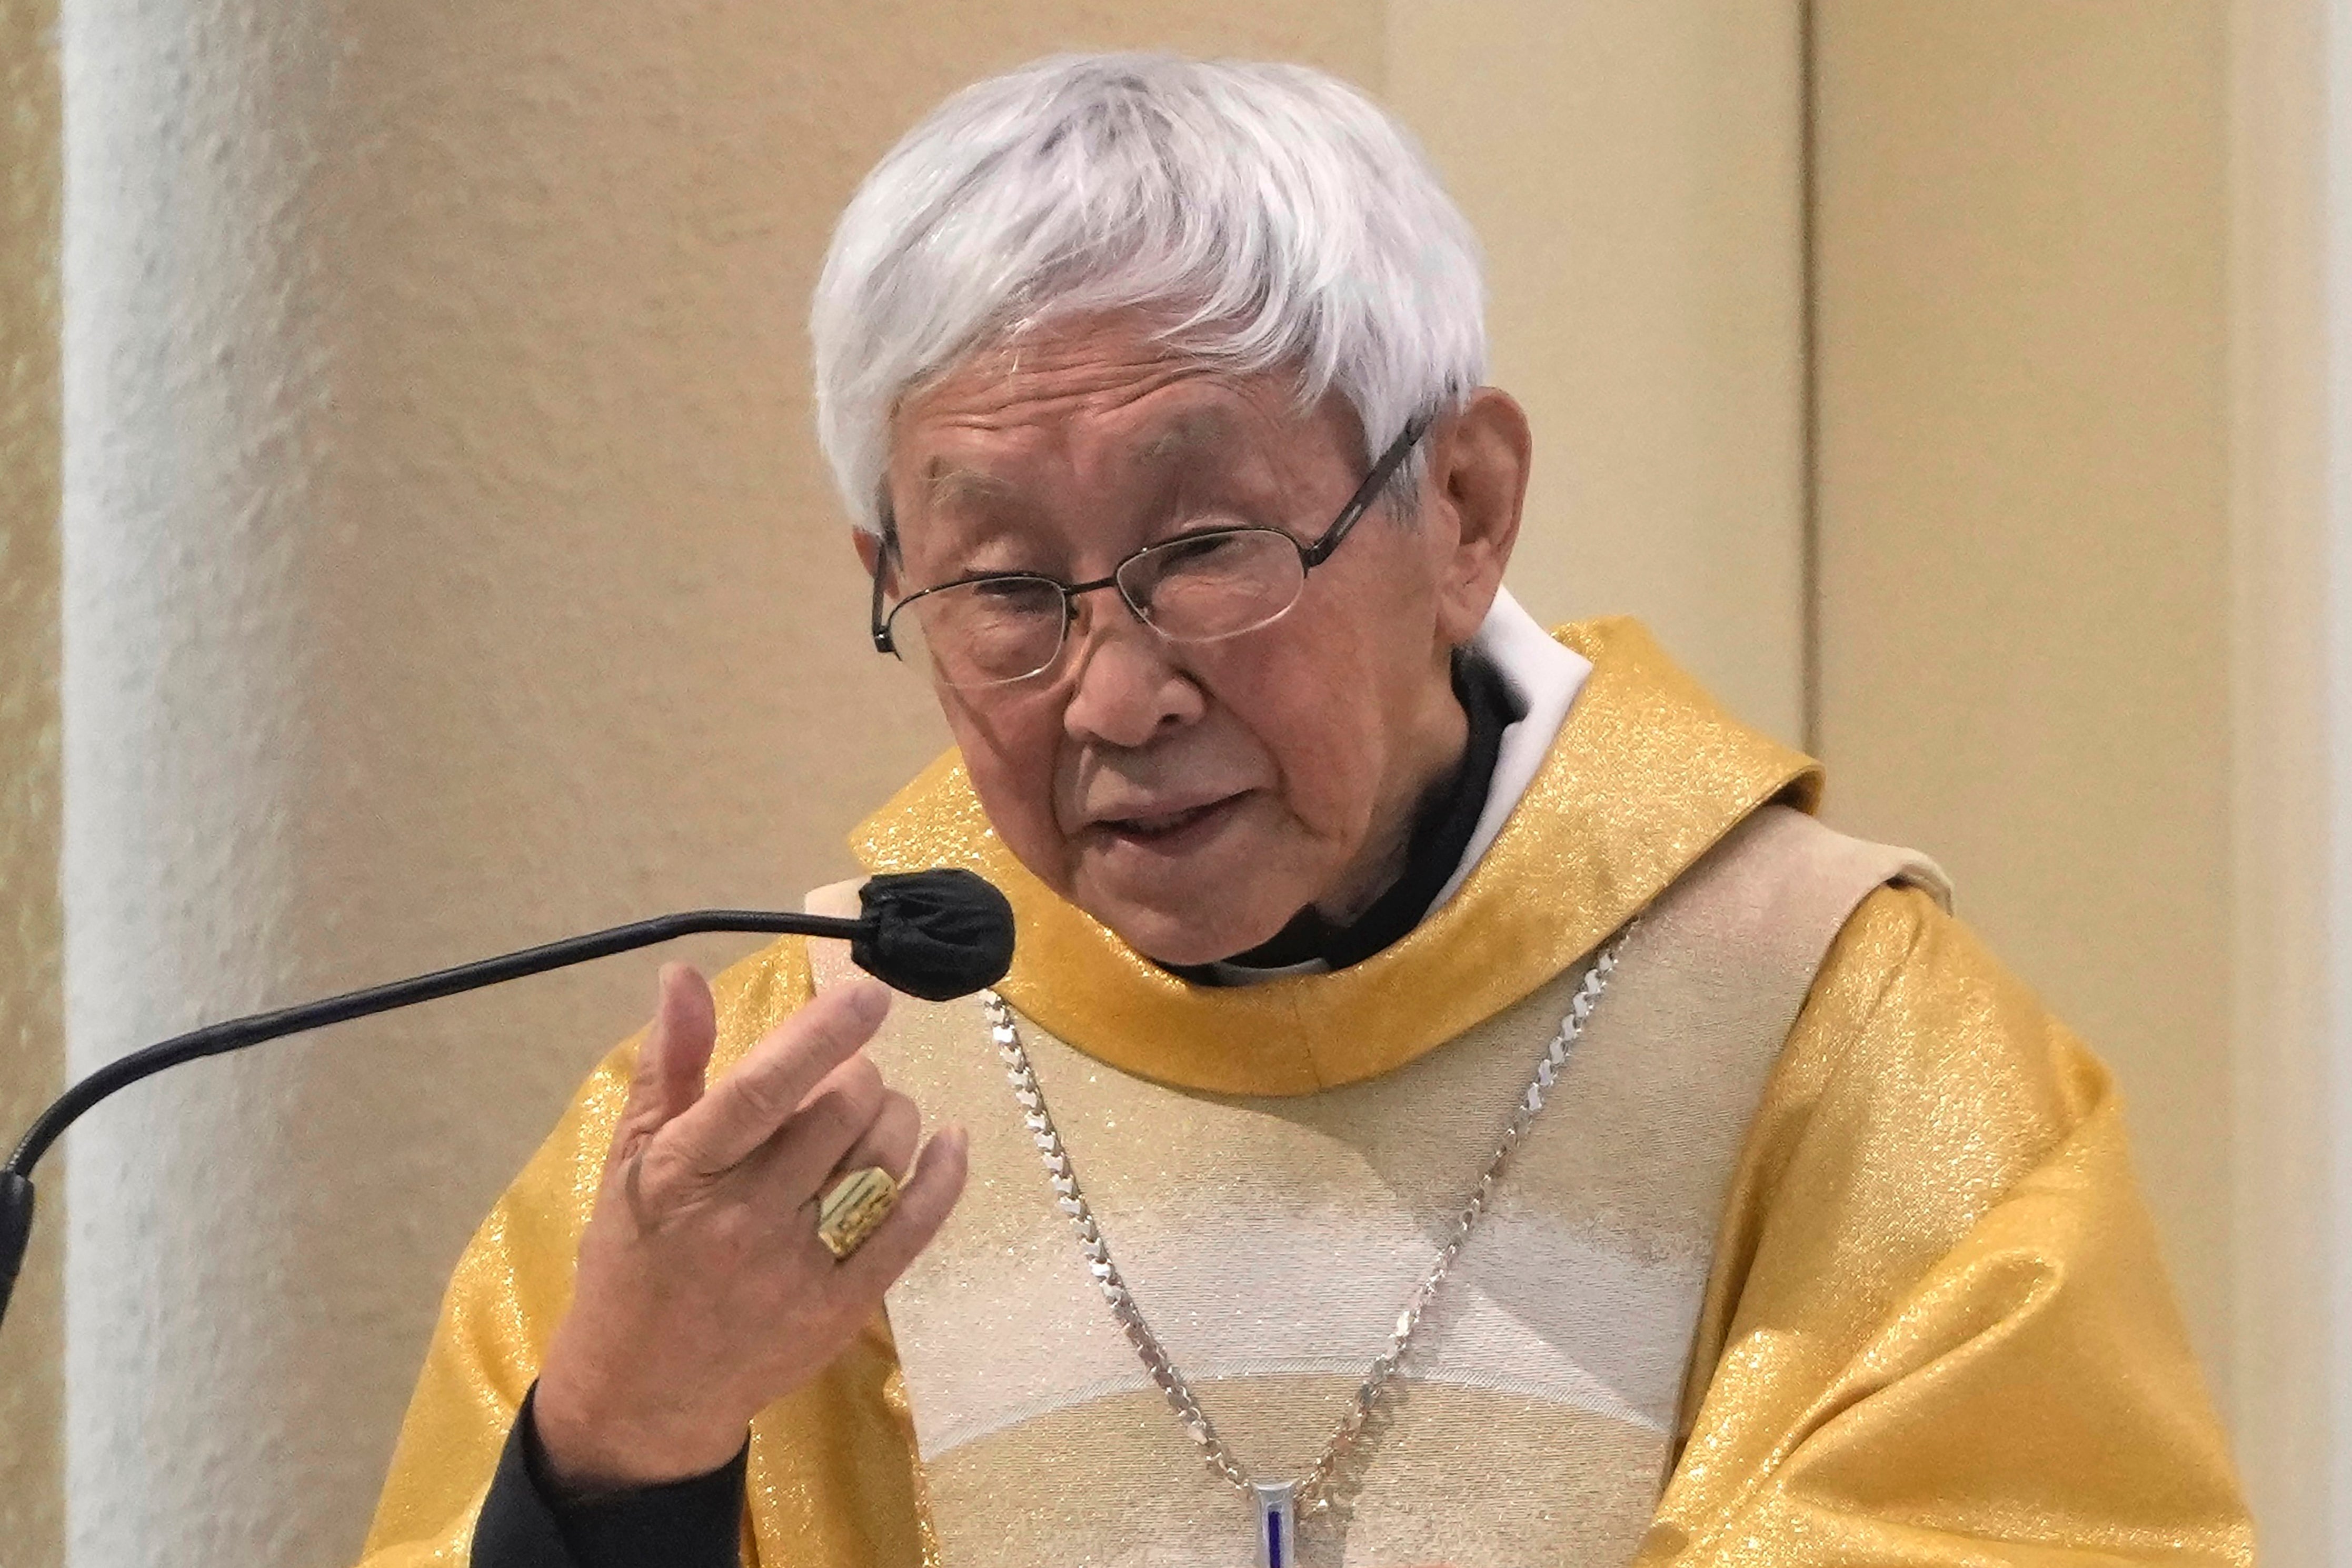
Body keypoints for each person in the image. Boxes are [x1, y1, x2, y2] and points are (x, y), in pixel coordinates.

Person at [358, 53, 2253, 1568]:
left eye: (1205, 548)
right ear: (888, 572)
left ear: (1464, 509)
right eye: (1006, 591)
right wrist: (615, 1463)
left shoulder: (1831, 1034)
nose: (1114, 692)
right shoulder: (795, 1101)